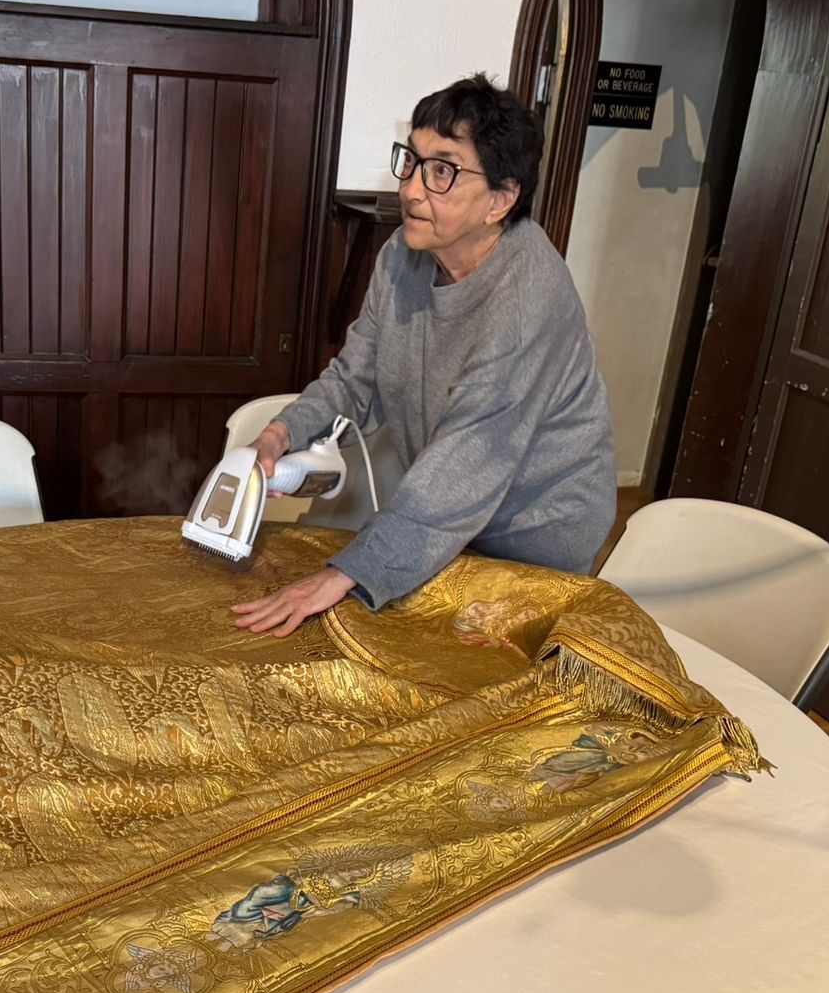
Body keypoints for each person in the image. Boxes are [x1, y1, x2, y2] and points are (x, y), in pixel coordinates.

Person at [231, 74, 616, 638]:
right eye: (411, 162)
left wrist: (346, 573)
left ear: (501, 200)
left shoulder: (529, 296)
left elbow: (467, 459)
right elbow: (354, 375)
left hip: (533, 541)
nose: (412, 189)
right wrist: (281, 433)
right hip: (449, 516)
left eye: (443, 171)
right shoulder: (403, 255)